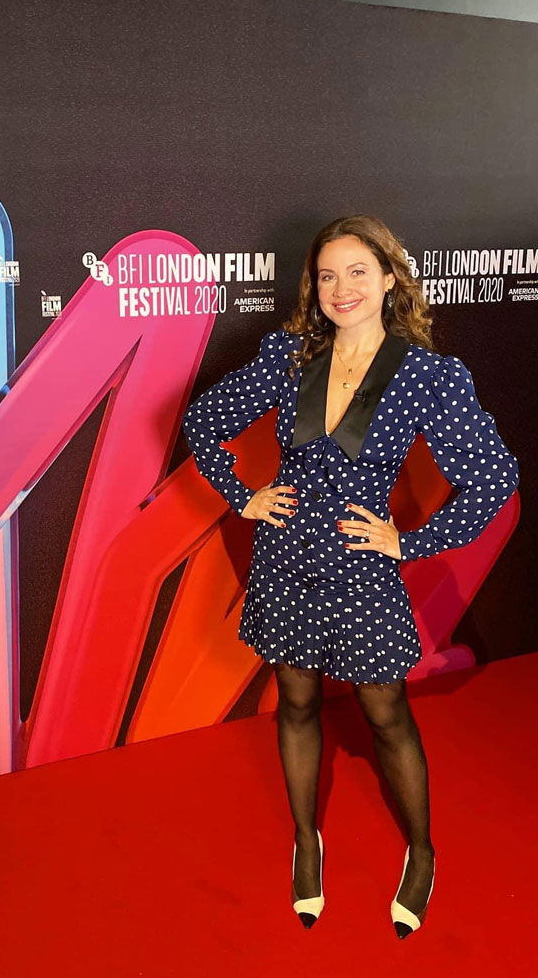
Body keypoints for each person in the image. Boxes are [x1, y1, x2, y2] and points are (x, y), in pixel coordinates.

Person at [181, 214, 520, 938]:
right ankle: (307, 841)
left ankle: (422, 851)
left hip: (362, 567)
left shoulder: (426, 376)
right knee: (296, 702)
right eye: (327, 275)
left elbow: (493, 478)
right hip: (286, 560)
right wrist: (244, 496)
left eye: (358, 271)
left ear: (390, 277)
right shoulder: (289, 355)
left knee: (386, 712)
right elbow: (203, 420)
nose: (341, 288)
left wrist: (412, 541)